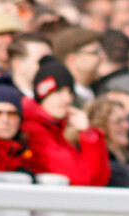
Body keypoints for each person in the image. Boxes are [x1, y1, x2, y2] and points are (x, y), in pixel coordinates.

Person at [20, 55, 110, 186]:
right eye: (59, 92)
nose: (67, 99)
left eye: (70, 92)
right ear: (43, 94)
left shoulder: (56, 131)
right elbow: (82, 180)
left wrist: (88, 134)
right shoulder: (33, 131)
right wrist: (88, 136)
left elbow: (99, 180)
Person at [86, 95, 129, 188]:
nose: (127, 126)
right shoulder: (106, 165)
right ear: (100, 126)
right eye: (118, 121)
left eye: (126, 120)